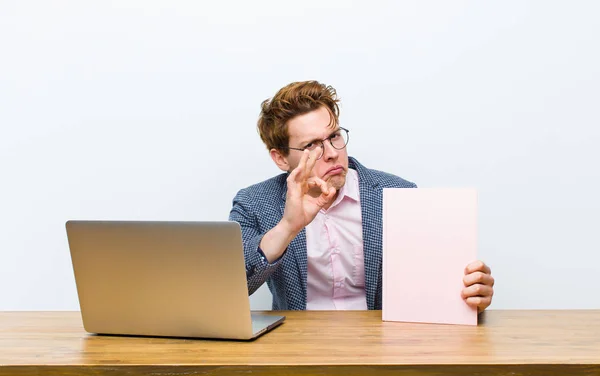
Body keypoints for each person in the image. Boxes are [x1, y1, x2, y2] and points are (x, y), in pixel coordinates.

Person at [228, 80, 494, 311]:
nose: (332, 152)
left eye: (334, 136)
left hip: (379, 350)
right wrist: (288, 227)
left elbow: (436, 289)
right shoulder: (254, 203)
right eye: (311, 145)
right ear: (280, 158)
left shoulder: (397, 195)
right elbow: (232, 286)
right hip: (298, 351)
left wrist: (472, 297)